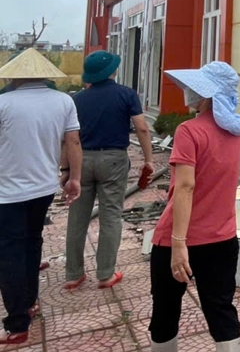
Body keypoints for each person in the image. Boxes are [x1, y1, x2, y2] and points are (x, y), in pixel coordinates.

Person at [149, 62, 240, 352]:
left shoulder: (188, 131)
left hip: (177, 238)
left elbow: (186, 186)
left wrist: (179, 243)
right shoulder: (236, 130)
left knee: (165, 311)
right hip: (223, 237)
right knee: (221, 311)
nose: (188, 92)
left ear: (206, 94)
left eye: (195, 88)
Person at [0, 49, 81, 345]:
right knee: (32, 242)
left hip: (7, 192)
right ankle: (29, 302)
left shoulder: (3, 103)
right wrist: (73, 177)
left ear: (13, 75)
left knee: (9, 253)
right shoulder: (63, 101)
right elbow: (72, 141)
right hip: (44, 188)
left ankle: (17, 324)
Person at [63, 51, 156, 290]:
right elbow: (142, 128)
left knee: (77, 217)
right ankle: (105, 274)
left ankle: (73, 274)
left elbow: (69, 138)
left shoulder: (77, 99)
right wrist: (148, 159)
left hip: (82, 159)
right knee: (111, 215)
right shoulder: (126, 94)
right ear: (112, 71)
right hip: (114, 160)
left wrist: (66, 168)